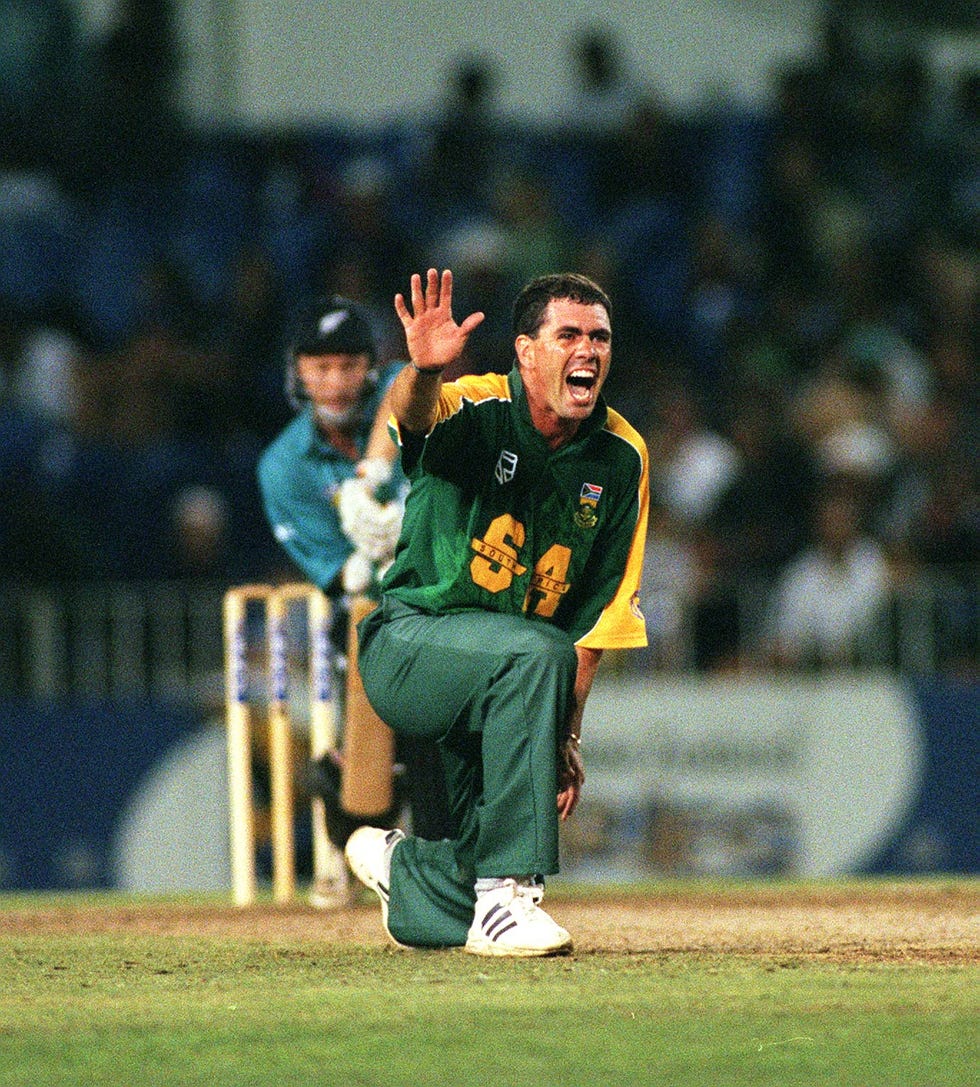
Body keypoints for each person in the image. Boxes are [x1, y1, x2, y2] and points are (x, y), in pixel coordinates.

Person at [345, 268, 648, 956]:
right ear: (526, 350)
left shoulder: (622, 455)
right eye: (568, 334)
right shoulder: (478, 407)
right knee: (536, 649)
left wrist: (565, 734)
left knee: (467, 862)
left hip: (508, 674)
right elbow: (414, 416)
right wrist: (422, 371)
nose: (589, 351)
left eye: (600, 337)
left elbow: (601, 611)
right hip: (412, 643)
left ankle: (412, 872)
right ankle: (506, 897)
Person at [256, 294, 455, 893]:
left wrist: (387, 493)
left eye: (348, 366)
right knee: (370, 780)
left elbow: (406, 396)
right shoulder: (284, 465)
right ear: (298, 373)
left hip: (447, 593)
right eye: (320, 368)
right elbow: (338, 572)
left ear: (370, 367)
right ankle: (351, 841)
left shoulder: (403, 386)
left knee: (444, 740)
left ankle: (448, 863)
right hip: (371, 619)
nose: (335, 382)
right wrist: (366, 562)